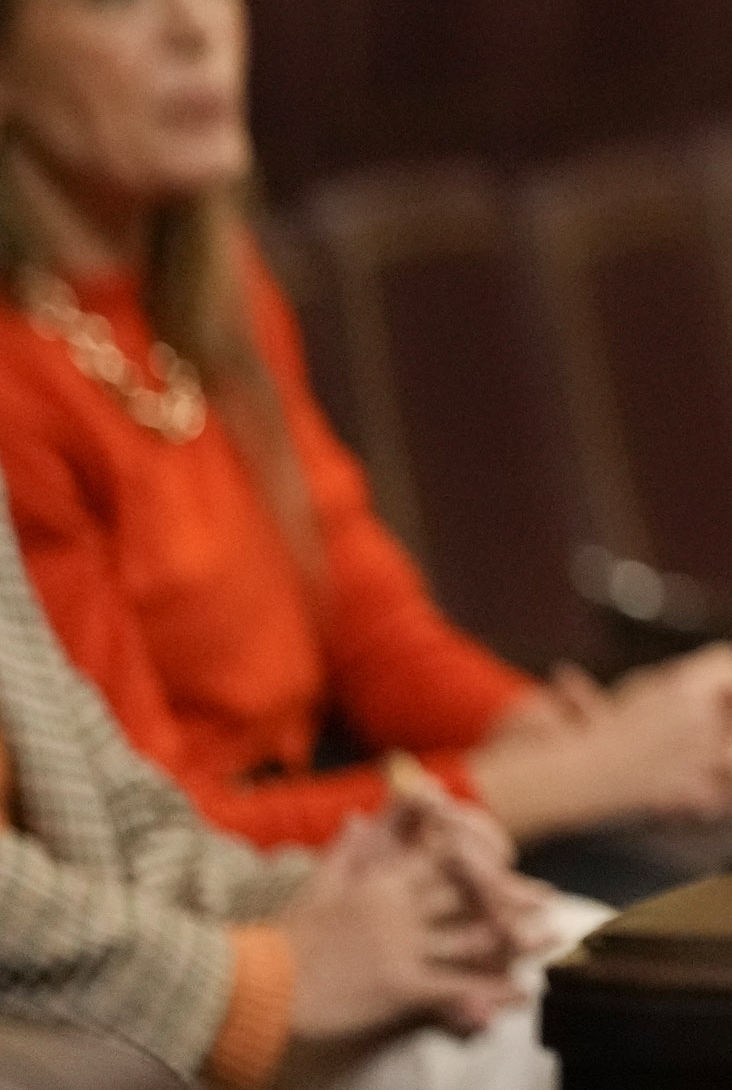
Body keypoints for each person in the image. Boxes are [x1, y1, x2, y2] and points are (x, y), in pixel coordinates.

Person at [0, 0, 732, 857]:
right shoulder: (19, 389)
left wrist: (551, 731)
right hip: (218, 944)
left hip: (346, 845)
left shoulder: (213, 289)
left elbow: (366, 624)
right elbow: (158, 851)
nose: (196, 27)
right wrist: (558, 779)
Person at [0, 463, 572, 1089]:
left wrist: (351, 901)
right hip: (92, 1007)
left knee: (572, 969)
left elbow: (123, 819)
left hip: (145, 964)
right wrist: (253, 987)